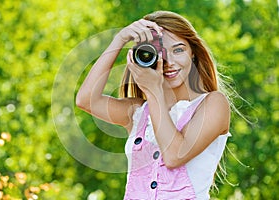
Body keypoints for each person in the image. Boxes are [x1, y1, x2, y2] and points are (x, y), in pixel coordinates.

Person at [76, 10, 231, 200]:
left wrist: (154, 91)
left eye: (178, 50)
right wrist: (119, 39)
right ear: (144, 58)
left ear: (193, 53)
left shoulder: (214, 103)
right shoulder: (139, 112)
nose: (169, 62)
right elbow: (85, 100)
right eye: (159, 53)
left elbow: (174, 156)